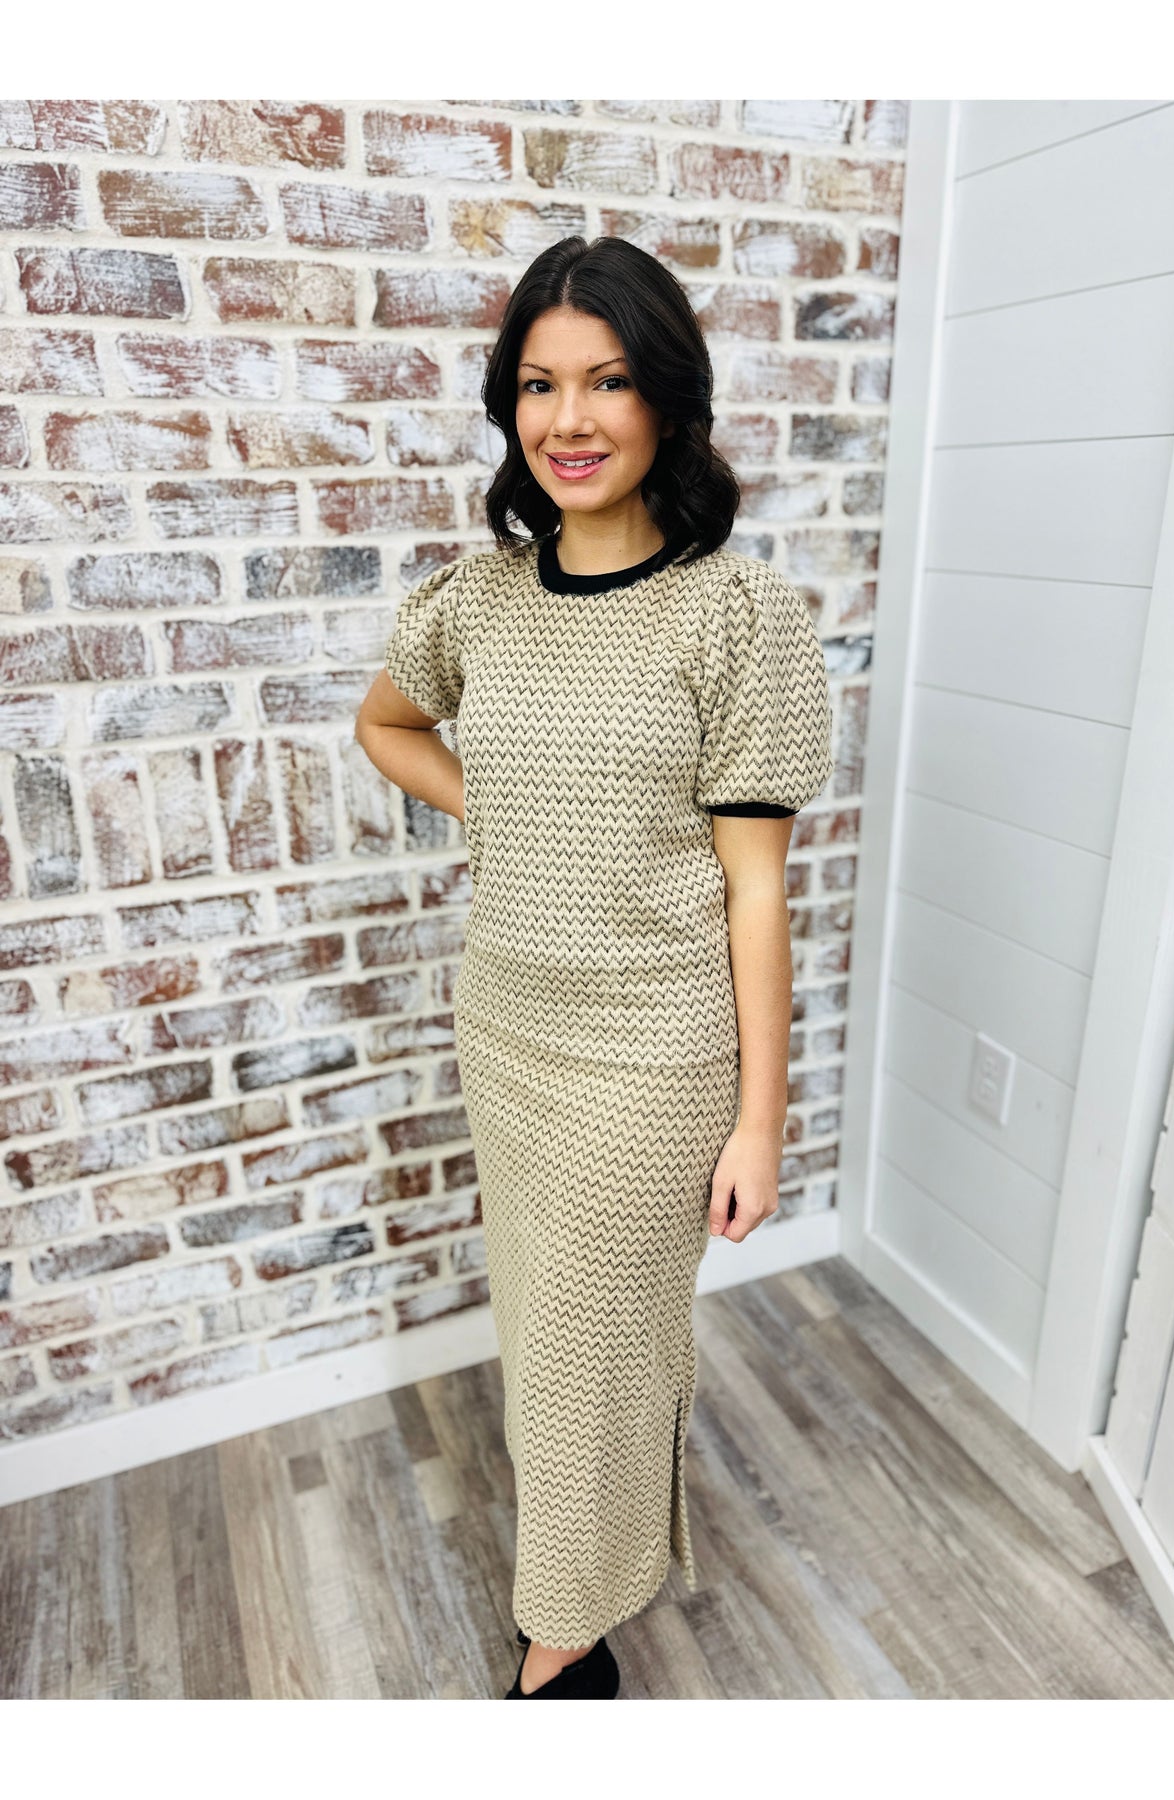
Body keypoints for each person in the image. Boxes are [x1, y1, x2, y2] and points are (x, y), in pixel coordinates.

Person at [355, 235, 834, 1700]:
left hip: (651, 1056)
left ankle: (562, 1643)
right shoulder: (476, 599)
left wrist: (759, 1121)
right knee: (541, 1324)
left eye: (608, 381)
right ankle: (574, 1594)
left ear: (667, 399)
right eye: (539, 385)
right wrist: (497, 809)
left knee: (594, 1348)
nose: (569, 420)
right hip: (508, 1031)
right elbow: (386, 725)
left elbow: (758, 888)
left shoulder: (735, 616)